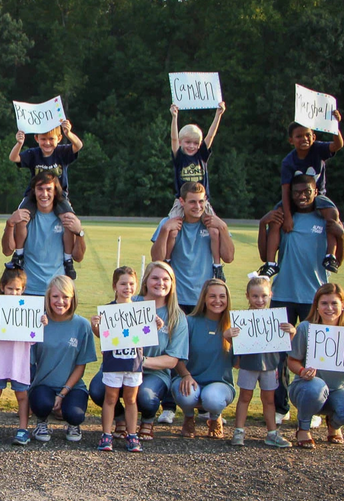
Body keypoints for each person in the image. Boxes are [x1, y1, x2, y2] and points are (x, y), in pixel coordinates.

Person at [257, 174, 338, 426]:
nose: (302, 196)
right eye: (296, 192)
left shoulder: (323, 216)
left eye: (307, 191)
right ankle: (281, 407)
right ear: (289, 194)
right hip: (282, 294)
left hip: (315, 297)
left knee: (315, 355)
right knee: (278, 355)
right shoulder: (283, 215)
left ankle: (312, 407)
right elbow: (265, 253)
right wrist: (263, 225)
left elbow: (337, 259)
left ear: (316, 191)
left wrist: (342, 236)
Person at [88, 262, 188, 441]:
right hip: (118, 365)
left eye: (166, 279)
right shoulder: (130, 302)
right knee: (97, 389)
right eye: (155, 278)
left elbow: (172, 360)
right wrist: (97, 327)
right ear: (146, 281)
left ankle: (148, 420)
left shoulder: (177, 316)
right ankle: (120, 420)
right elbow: (107, 336)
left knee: (145, 396)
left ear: (172, 283)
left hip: (152, 373)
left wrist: (139, 360)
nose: (160, 283)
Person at [259, 114, 344, 277]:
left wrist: (334, 125)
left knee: (332, 214)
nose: (304, 139)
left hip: (317, 195)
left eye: (307, 135)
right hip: (294, 197)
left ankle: (330, 255)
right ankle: (271, 263)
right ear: (291, 140)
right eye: (299, 136)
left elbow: (338, 145)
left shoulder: (318, 149)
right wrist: (288, 216)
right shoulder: (288, 161)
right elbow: (285, 190)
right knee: (276, 218)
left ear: (314, 136)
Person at [287, 283, 344, 448]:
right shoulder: (306, 328)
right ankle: (303, 428)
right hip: (307, 388)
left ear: (343, 305)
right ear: (316, 306)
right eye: (324, 303)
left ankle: (334, 424)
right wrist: (302, 371)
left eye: (334, 303)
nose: (329, 308)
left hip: (340, 389)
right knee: (315, 386)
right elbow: (292, 361)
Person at [7, 120, 84, 278]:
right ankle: (19, 254)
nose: (47, 143)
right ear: (36, 139)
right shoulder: (33, 153)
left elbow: (78, 146)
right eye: (43, 139)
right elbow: (13, 158)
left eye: (51, 139)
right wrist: (19, 143)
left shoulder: (61, 152)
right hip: (34, 195)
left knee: (68, 221)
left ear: (58, 139)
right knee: (22, 218)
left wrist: (68, 133)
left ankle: (67, 260)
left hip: (59, 195)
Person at [92, 266, 154, 453]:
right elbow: (102, 336)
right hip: (114, 364)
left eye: (131, 284)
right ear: (115, 286)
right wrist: (95, 326)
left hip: (133, 363)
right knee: (110, 398)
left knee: (131, 399)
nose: (128, 287)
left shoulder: (140, 310)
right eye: (123, 284)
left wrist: (156, 324)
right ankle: (106, 434)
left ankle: (132, 434)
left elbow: (147, 333)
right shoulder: (109, 310)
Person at [29, 276, 97, 443]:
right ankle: (42, 421)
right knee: (42, 403)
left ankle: (72, 423)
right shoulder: (38, 322)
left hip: (72, 387)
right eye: (55, 297)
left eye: (66, 297)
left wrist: (62, 394)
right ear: (48, 297)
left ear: (72, 298)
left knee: (75, 414)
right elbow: (28, 359)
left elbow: (81, 365)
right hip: (43, 385)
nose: (60, 301)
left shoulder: (82, 325)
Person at [165, 102, 227, 280]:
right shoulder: (180, 157)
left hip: (202, 202)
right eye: (188, 142)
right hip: (182, 201)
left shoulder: (202, 156)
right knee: (173, 230)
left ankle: (217, 266)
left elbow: (210, 135)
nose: (191, 146)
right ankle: (167, 261)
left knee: (214, 231)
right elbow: (173, 140)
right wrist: (174, 117)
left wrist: (218, 115)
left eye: (195, 143)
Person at [231, 276, 295, 448]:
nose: (260, 300)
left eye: (264, 296)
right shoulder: (242, 319)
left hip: (270, 365)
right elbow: (234, 343)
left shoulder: (277, 319)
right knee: (245, 397)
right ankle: (239, 431)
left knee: (269, 400)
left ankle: (272, 433)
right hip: (248, 365)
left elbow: (285, 342)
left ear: (270, 295)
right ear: (248, 296)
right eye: (255, 296)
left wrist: (292, 331)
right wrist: (229, 337)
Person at [151, 182, 235, 309]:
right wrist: (165, 230)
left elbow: (228, 258)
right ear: (182, 201)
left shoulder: (214, 225)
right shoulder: (168, 223)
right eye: (192, 202)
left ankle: (217, 268)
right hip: (175, 297)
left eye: (201, 202)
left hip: (205, 298)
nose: (197, 206)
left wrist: (223, 227)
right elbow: (156, 259)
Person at [172, 279, 238, 439]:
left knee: (212, 399)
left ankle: (215, 418)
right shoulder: (190, 322)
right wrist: (185, 375)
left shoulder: (234, 326)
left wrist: (232, 343)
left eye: (222, 296)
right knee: (186, 395)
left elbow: (238, 365)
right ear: (204, 298)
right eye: (212, 296)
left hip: (220, 383)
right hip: (190, 378)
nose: (217, 301)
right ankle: (188, 417)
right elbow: (176, 356)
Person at [1, 171, 86, 293]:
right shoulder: (26, 215)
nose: (44, 194)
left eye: (48, 189)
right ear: (34, 191)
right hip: (28, 289)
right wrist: (9, 224)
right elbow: (7, 251)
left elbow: (78, 257)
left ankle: (67, 261)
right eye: (40, 189)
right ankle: (19, 256)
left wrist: (79, 232)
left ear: (55, 191)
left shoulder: (65, 218)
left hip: (56, 292)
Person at [0, 268, 40, 446]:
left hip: (20, 360)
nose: (13, 293)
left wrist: (40, 323)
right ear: (2, 287)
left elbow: (34, 337)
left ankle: (23, 429)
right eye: (10, 289)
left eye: (17, 289)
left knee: (22, 396)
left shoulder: (28, 310)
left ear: (23, 290)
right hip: (0, 358)